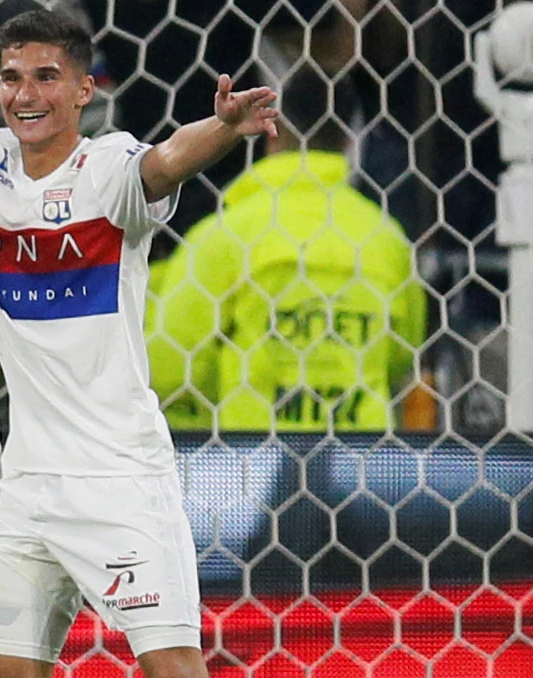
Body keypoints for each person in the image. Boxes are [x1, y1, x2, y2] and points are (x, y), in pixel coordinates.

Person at [0, 10, 278, 678]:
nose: (26, 95)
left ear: (85, 90)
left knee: (174, 675)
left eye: (47, 78)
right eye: (12, 77)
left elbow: (168, 160)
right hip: (26, 485)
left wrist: (229, 125)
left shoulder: (111, 172)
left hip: (121, 474)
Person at [146, 73, 426, 432]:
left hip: (252, 466)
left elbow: (169, 367)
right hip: (360, 466)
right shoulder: (386, 238)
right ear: (348, 142)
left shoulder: (225, 235)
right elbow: (403, 355)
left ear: (269, 132)